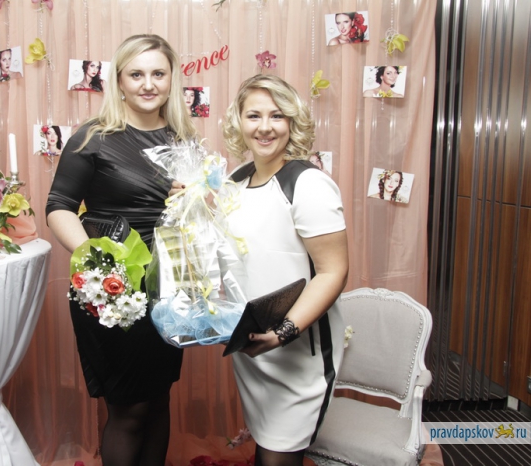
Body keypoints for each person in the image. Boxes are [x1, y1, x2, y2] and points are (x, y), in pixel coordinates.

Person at [46, 34, 197, 466]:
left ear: (171, 80)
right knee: (129, 408)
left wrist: (197, 199)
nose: (148, 84)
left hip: (167, 285)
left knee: (159, 399)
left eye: (158, 73)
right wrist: (96, 260)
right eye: (136, 74)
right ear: (119, 81)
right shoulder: (93, 137)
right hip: (112, 286)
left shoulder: (182, 138)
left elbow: (196, 215)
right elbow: (58, 207)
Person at [221, 75, 349, 466]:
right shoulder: (235, 181)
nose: (265, 127)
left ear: (292, 121)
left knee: (278, 456)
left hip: (298, 350)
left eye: (277, 115)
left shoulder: (308, 183)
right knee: (265, 447)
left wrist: (283, 332)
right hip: (253, 347)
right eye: (254, 115)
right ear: (239, 121)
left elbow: (333, 272)